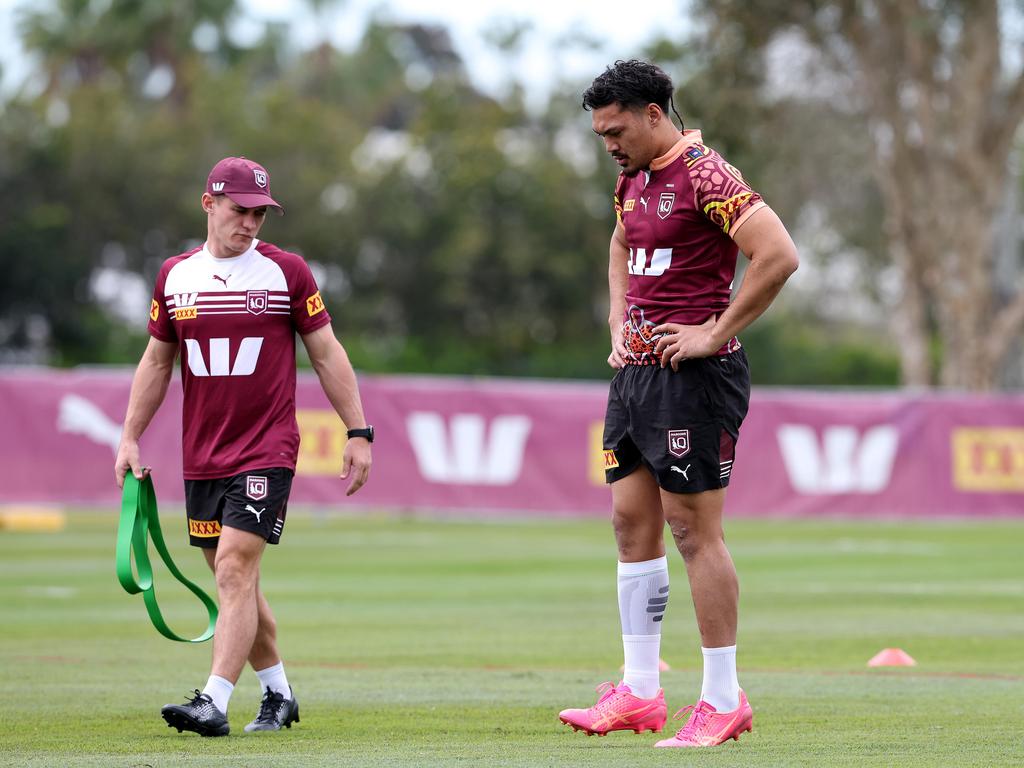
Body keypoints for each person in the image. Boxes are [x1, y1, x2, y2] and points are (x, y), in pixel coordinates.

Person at [558, 60, 799, 748]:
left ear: (655, 113)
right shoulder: (631, 179)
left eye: (616, 129)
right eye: (600, 132)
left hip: (694, 381)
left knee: (694, 533)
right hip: (636, 376)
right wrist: (616, 322)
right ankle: (638, 692)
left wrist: (714, 332)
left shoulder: (706, 175)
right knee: (630, 525)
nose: (608, 143)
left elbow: (778, 254)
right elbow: (621, 244)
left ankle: (724, 699)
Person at [114, 156, 374, 737]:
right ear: (209, 204)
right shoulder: (174, 276)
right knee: (237, 584)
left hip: (267, 448)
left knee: (234, 569)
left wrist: (359, 432)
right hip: (201, 455)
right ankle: (279, 695)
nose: (252, 222)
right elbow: (157, 362)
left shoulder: (288, 273)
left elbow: (327, 354)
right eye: (241, 210)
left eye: (260, 212)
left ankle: (213, 700)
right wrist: (129, 437)